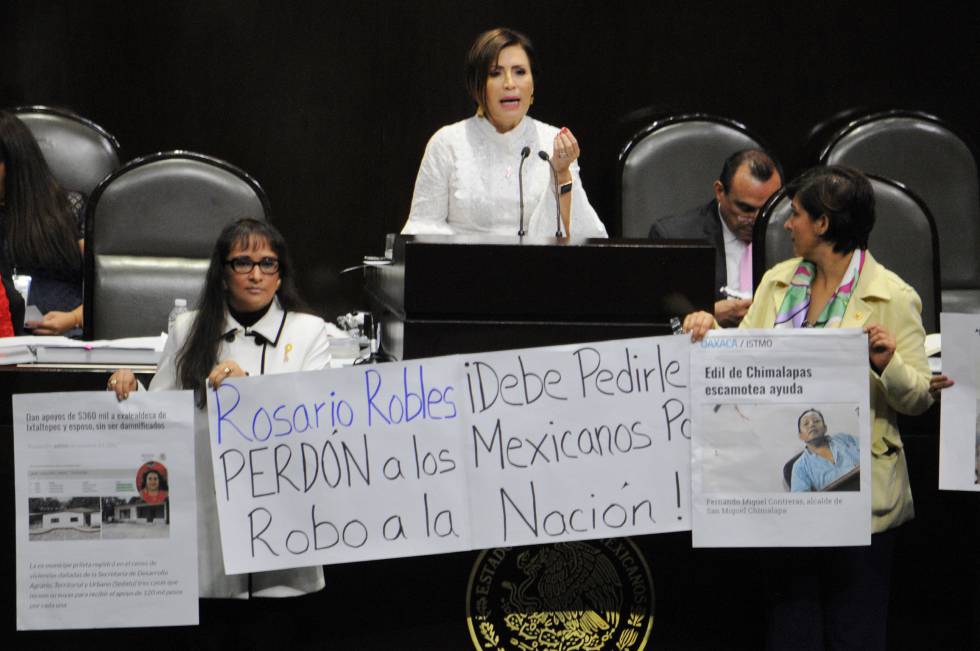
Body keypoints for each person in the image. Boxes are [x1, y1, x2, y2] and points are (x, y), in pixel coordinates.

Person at [683, 166, 953, 649]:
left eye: (797, 215)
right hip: (782, 494)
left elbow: (917, 401)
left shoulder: (892, 296)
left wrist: (887, 362)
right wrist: (708, 331)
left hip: (860, 501)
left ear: (823, 225)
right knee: (791, 631)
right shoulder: (778, 283)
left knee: (856, 634)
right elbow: (743, 364)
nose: (787, 225)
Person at [108, 218, 331, 599]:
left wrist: (252, 391)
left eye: (268, 263)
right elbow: (161, 418)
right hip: (207, 520)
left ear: (280, 275)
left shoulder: (309, 331)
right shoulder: (188, 329)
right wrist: (129, 389)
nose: (256, 274)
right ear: (223, 274)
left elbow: (320, 423)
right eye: (243, 262)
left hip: (283, 521)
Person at [401, 27, 607, 238]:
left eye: (519, 72)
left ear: (533, 84)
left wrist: (561, 174)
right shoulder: (447, 143)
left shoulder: (552, 141)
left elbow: (579, 235)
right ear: (477, 85)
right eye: (495, 73)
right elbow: (423, 230)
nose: (510, 84)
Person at [650, 149, 781, 326]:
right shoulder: (675, 236)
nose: (757, 220)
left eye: (767, 208)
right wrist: (710, 314)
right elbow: (658, 320)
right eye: (746, 209)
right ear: (720, 191)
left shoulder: (791, 234)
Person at [0, 111, 86, 335]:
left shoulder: (68, 209)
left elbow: (106, 293)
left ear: (12, 162)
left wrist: (74, 318)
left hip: (65, 337)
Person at [790, 408, 859, 492]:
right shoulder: (799, 467)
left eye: (816, 421)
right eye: (806, 423)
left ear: (825, 428)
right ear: (801, 436)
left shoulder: (844, 438)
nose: (812, 425)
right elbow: (801, 501)